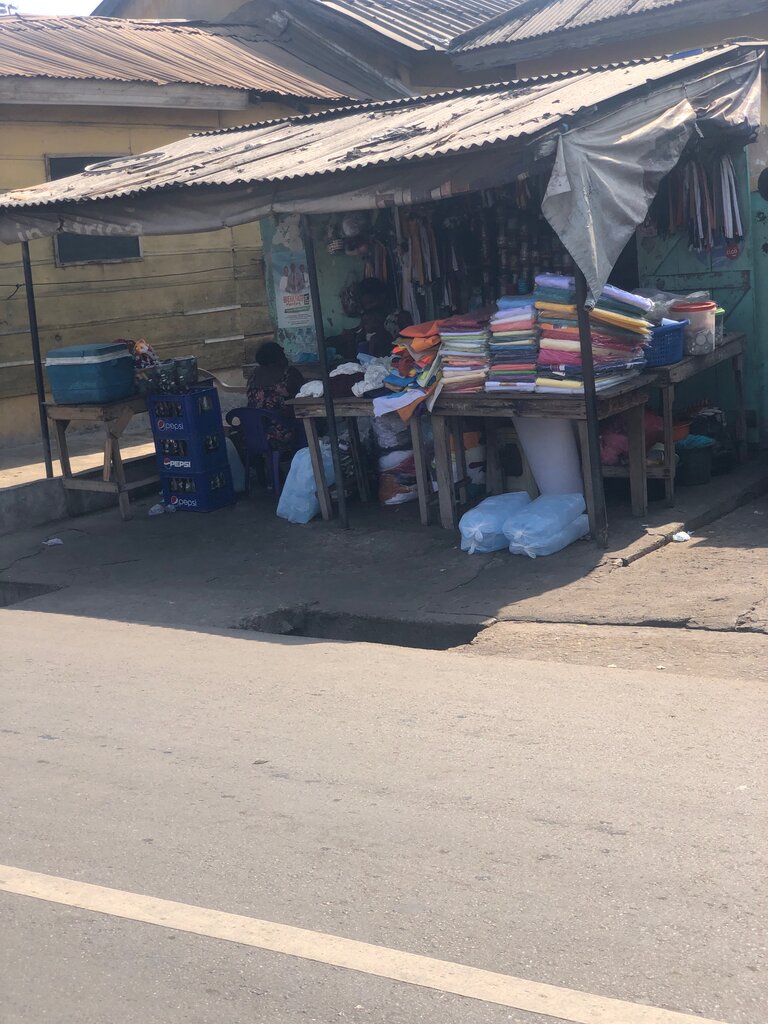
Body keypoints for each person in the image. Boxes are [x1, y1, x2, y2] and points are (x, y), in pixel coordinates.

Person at [245, 341, 304, 449]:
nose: (286, 357)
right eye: (283, 354)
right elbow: (305, 393)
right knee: (309, 421)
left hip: (253, 431)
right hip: (280, 432)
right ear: (278, 357)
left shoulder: (253, 375)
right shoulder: (289, 373)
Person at [327, 277, 394, 360]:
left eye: (371, 302)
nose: (368, 307)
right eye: (365, 305)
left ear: (383, 296)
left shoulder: (398, 318)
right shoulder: (367, 317)